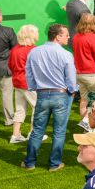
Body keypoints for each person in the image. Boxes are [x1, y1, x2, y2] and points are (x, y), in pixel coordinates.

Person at [24, 24, 79, 172]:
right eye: (66, 34)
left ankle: (30, 162)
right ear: (57, 36)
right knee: (59, 131)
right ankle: (54, 164)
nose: (69, 37)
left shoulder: (34, 52)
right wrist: (73, 91)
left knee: (37, 130)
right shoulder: (66, 54)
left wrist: (34, 87)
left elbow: (28, 73)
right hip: (61, 95)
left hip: (42, 94)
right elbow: (71, 78)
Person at [72, 13, 95, 129]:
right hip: (92, 74)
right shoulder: (93, 38)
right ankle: (88, 122)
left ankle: (86, 123)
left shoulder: (76, 37)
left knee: (84, 100)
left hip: (79, 73)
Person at [7, 24, 38, 144]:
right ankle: (33, 134)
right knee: (38, 108)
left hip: (17, 82)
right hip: (29, 83)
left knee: (20, 109)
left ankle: (15, 135)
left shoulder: (14, 49)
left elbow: (10, 65)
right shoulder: (33, 50)